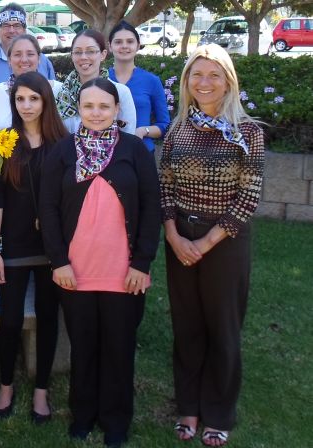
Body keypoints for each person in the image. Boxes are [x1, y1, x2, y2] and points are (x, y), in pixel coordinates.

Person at [40, 78, 160, 447]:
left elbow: (152, 208)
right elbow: (48, 209)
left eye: (104, 106)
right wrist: (59, 262)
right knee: (84, 346)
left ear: (117, 109)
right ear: (78, 109)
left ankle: (116, 421)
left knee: (119, 349)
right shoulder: (62, 151)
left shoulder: (134, 150)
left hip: (124, 272)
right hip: (75, 272)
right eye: (89, 106)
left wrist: (142, 263)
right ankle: (83, 414)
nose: (96, 113)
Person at [160, 44, 265, 448]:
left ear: (228, 82)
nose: (204, 83)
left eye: (213, 75)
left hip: (225, 241)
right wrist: (173, 235)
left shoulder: (248, 133)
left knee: (223, 327)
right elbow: (165, 186)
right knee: (186, 326)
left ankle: (219, 413)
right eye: (196, 75)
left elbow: (249, 196)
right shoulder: (178, 129)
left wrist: (205, 242)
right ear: (187, 81)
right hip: (180, 237)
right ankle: (188, 407)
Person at [0, 71, 68, 423]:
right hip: (13, 246)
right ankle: (6, 385)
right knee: (10, 320)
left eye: (34, 98)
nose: (27, 105)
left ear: (46, 100)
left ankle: (41, 390)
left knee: (48, 317)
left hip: (52, 249)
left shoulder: (64, 144)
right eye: (20, 99)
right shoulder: (4, 143)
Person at [56, 29, 136, 135]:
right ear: (72, 56)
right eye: (78, 52)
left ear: (103, 54)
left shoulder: (120, 92)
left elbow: (129, 134)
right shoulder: (60, 93)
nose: (83, 57)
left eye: (90, 51)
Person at [0, 34, 61, 131]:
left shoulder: (58, 91)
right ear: (9, 60)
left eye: (30, 54)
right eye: (17, 54)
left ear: (39, 59)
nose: (24, 60)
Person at [108, 21, 170, 152]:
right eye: (118, 42)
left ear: (138, 45)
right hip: (105, 153)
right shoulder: (101, 79)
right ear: (110, 46)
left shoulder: (151, 81)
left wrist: (143, 131)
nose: (124, 46)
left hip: (142, 152)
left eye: (130, 41)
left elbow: (164, 124)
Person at [0, 3, 55, 90]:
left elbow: (53, 94)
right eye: (6, 25)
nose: (11, 30)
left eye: (17, 25)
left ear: (24, 31)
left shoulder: (43, 62)